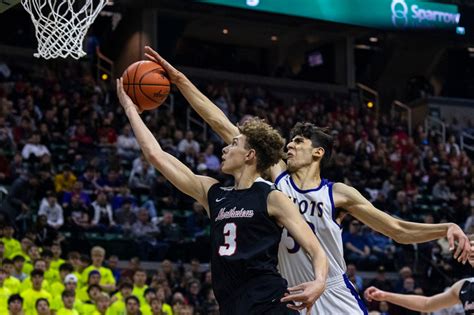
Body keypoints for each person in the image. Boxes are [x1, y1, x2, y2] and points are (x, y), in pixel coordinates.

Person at [143, 46, 472, 315]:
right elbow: (221, 122)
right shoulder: (276, 180)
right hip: (289, 297)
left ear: (318, 153)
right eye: (290, 141)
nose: (290, 145)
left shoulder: (337, 193)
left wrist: (445, 228)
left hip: (331, 292)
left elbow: (396, 230)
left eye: (298, 142)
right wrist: (180, 80)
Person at [117, 78, 328, 314]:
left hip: (269, 305)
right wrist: (129, 110)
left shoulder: (272, 197)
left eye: (234, 144)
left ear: (250, 155)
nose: (225, 149)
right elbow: (156, 155)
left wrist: (319, 282)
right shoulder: (213, 193)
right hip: (231, 307)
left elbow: (316, 249)